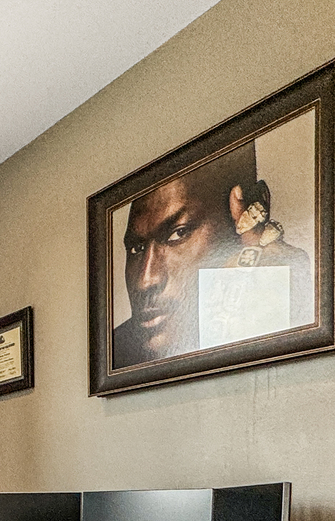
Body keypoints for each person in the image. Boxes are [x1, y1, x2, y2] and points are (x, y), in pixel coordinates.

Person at [112, 142, 312, 368]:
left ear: (252, 207)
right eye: (136, 249)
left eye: (179, 233)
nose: (145, 281)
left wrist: (279, 293)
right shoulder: (115, 352)